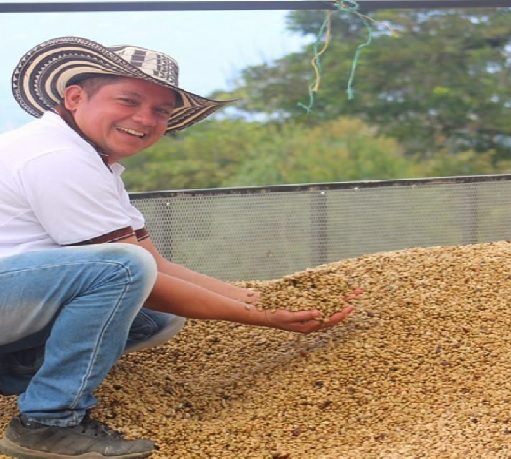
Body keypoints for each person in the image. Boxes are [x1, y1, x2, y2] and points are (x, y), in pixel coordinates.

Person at [0, 36, 358, 459]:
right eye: (128, 101)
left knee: (156, 316)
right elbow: (132, 271)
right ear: (75, 97)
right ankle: (48, 422)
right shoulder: (56, 157)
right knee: (123, 272)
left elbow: (154, 266)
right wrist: (261, 316)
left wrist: (258, 297)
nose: (144, 118)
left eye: (160, 110)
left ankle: (10, 370)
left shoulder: (90, 158)